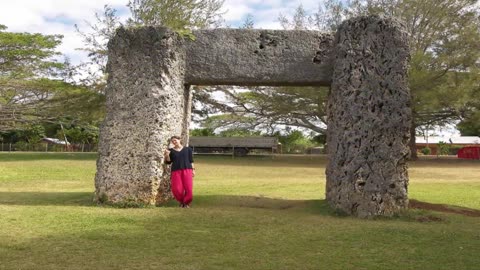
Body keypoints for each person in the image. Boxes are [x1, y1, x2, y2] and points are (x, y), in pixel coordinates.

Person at [164, 135, 195, 208]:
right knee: (176, 189)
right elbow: (168, 162)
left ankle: (186, 203)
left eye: (175, 140)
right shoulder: (170, 150)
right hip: (176, 171)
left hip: (187, 170)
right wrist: (167, 155)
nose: (174, 142)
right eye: (172, 141)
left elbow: (191, 160)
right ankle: (182, 201)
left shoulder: (188, 149)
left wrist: (193, 170)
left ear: (179, 140)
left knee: (189, 188)